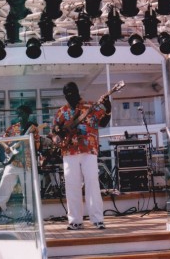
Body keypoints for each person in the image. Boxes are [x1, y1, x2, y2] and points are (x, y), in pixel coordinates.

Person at [52, 81, 111, 230]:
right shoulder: (61, 111)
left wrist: (108, 109)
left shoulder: (90, 106)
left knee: (92, 183)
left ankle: (97, 219)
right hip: (68, 151)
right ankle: (75, 221)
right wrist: (58, 136)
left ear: (78, 92)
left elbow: (103, 122)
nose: (71, 96)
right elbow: (54, 132)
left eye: (73, 92)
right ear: (65, 96)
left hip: (88, 149)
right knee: (72, 185)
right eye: (68, 94)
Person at [0, 105, 40, 216]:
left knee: (27, 190)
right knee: (4, 185)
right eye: (18, 113)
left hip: (26, 163)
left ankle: (29, 213)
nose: (19, 115)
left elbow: (37, 146)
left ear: (28, 115)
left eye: (21, 113)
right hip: (12, 162)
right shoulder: (13, 128)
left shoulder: (33, 129)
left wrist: (29, 142)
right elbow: (3, 140)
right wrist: (7, 148)